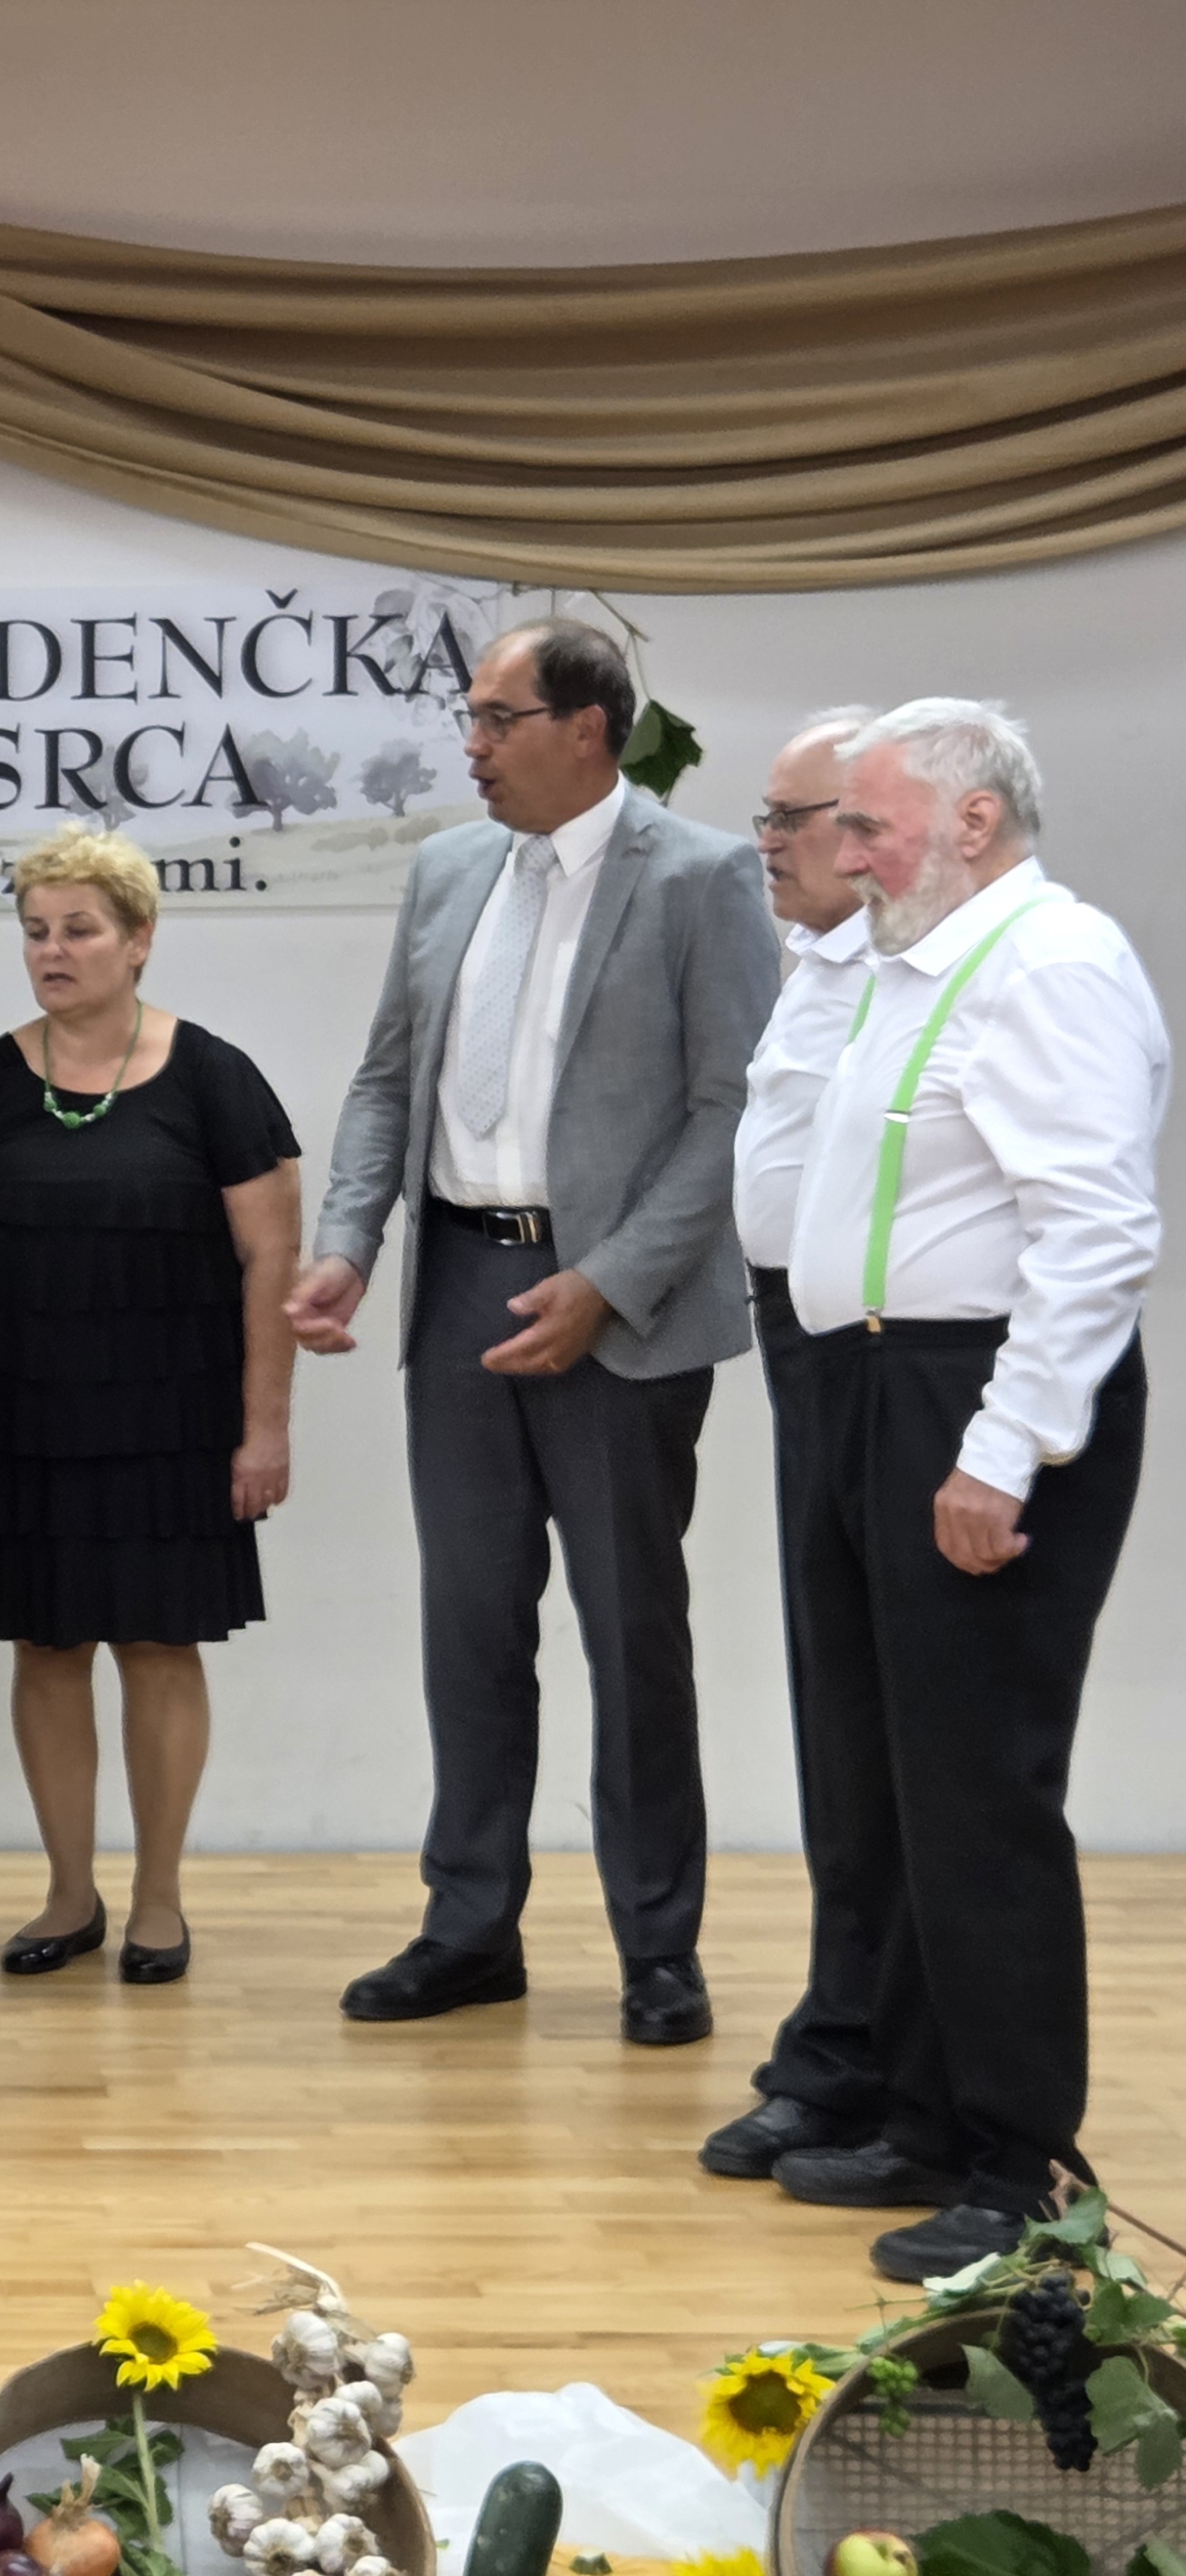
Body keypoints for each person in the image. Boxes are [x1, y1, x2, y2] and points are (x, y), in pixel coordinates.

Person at [283, 618, 777, 2043]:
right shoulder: (450, 870)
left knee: (634, 1635)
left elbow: (733, 1107)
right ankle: (469, 1929)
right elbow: (387, 1079)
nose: (473, 746)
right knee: (471, 1628)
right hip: (459, 1286)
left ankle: (659, 1948)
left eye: (499, 719)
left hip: (618, 1309)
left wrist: (608, 1280)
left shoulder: (699, 877)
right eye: (472, 718)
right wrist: (350, 1240)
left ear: (589, 729)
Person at [765, 702, 1161, 2282]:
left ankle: (1025, 2163)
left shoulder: (1052, 963)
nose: (846, 856)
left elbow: (1096, 1232)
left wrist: (1003, 1450)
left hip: (976, 1402)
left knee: (979, 1792)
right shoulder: (914, 963)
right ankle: (926, 2115)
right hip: (874, 1386)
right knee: (889, 1780)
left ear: (974, 822)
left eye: (868, 826)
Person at [0, 824, 301, 1987]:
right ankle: (69, 1894)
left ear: (138, 940)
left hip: (173, 1417)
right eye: (36, 931)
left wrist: (264, 1427)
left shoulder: (214, 1078)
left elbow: (270, 1257)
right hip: (20, 1416)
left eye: (79, 930)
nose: (53, 951)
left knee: (160, 1644)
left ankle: (159, 1900)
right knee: (47, 1643)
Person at [696, 711, 887, 2182]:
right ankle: (842, 2048)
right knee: (840, 1717)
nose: (763, 840)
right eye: (762, 815)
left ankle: (884, 2066)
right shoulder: (812, 959)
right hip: (806, 1342)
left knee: (892, 1731)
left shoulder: (914, 969)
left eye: (792, 816)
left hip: (888, 1354)